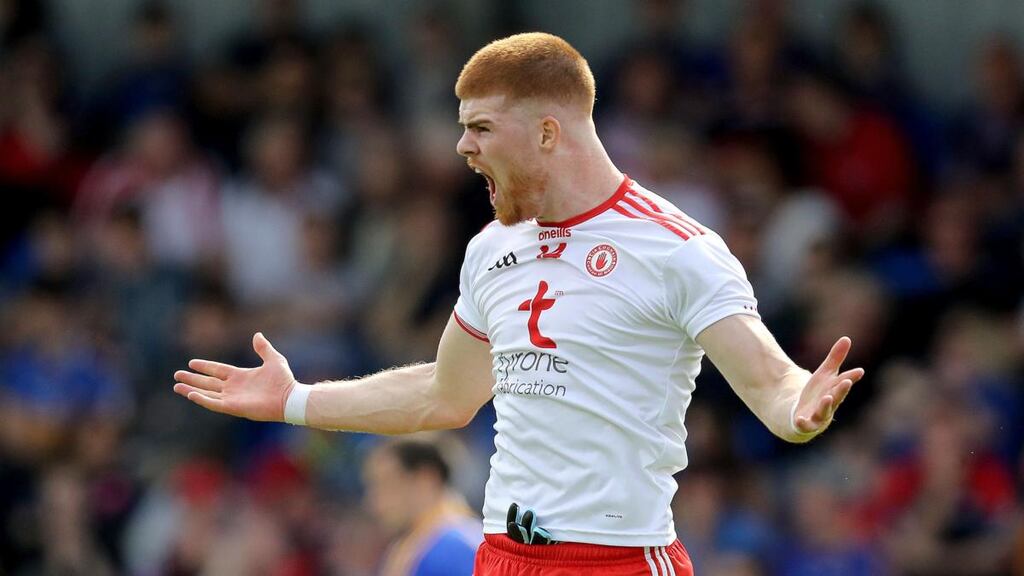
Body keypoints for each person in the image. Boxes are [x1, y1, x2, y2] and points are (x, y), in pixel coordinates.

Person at [173, 32, 864, 576]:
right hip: (503, 556)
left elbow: (774, 385)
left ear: (544, 132)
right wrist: (294, 400)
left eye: (479, 128)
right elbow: (445, 395)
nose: (461, 148)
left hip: (615, 563)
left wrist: (802, 409)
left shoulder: (676, 249)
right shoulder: (491, 250)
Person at [364, 438, 482, 576]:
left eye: (386, 484)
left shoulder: (456, 548)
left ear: (425, 480)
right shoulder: (412, 545)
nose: (372, 501)